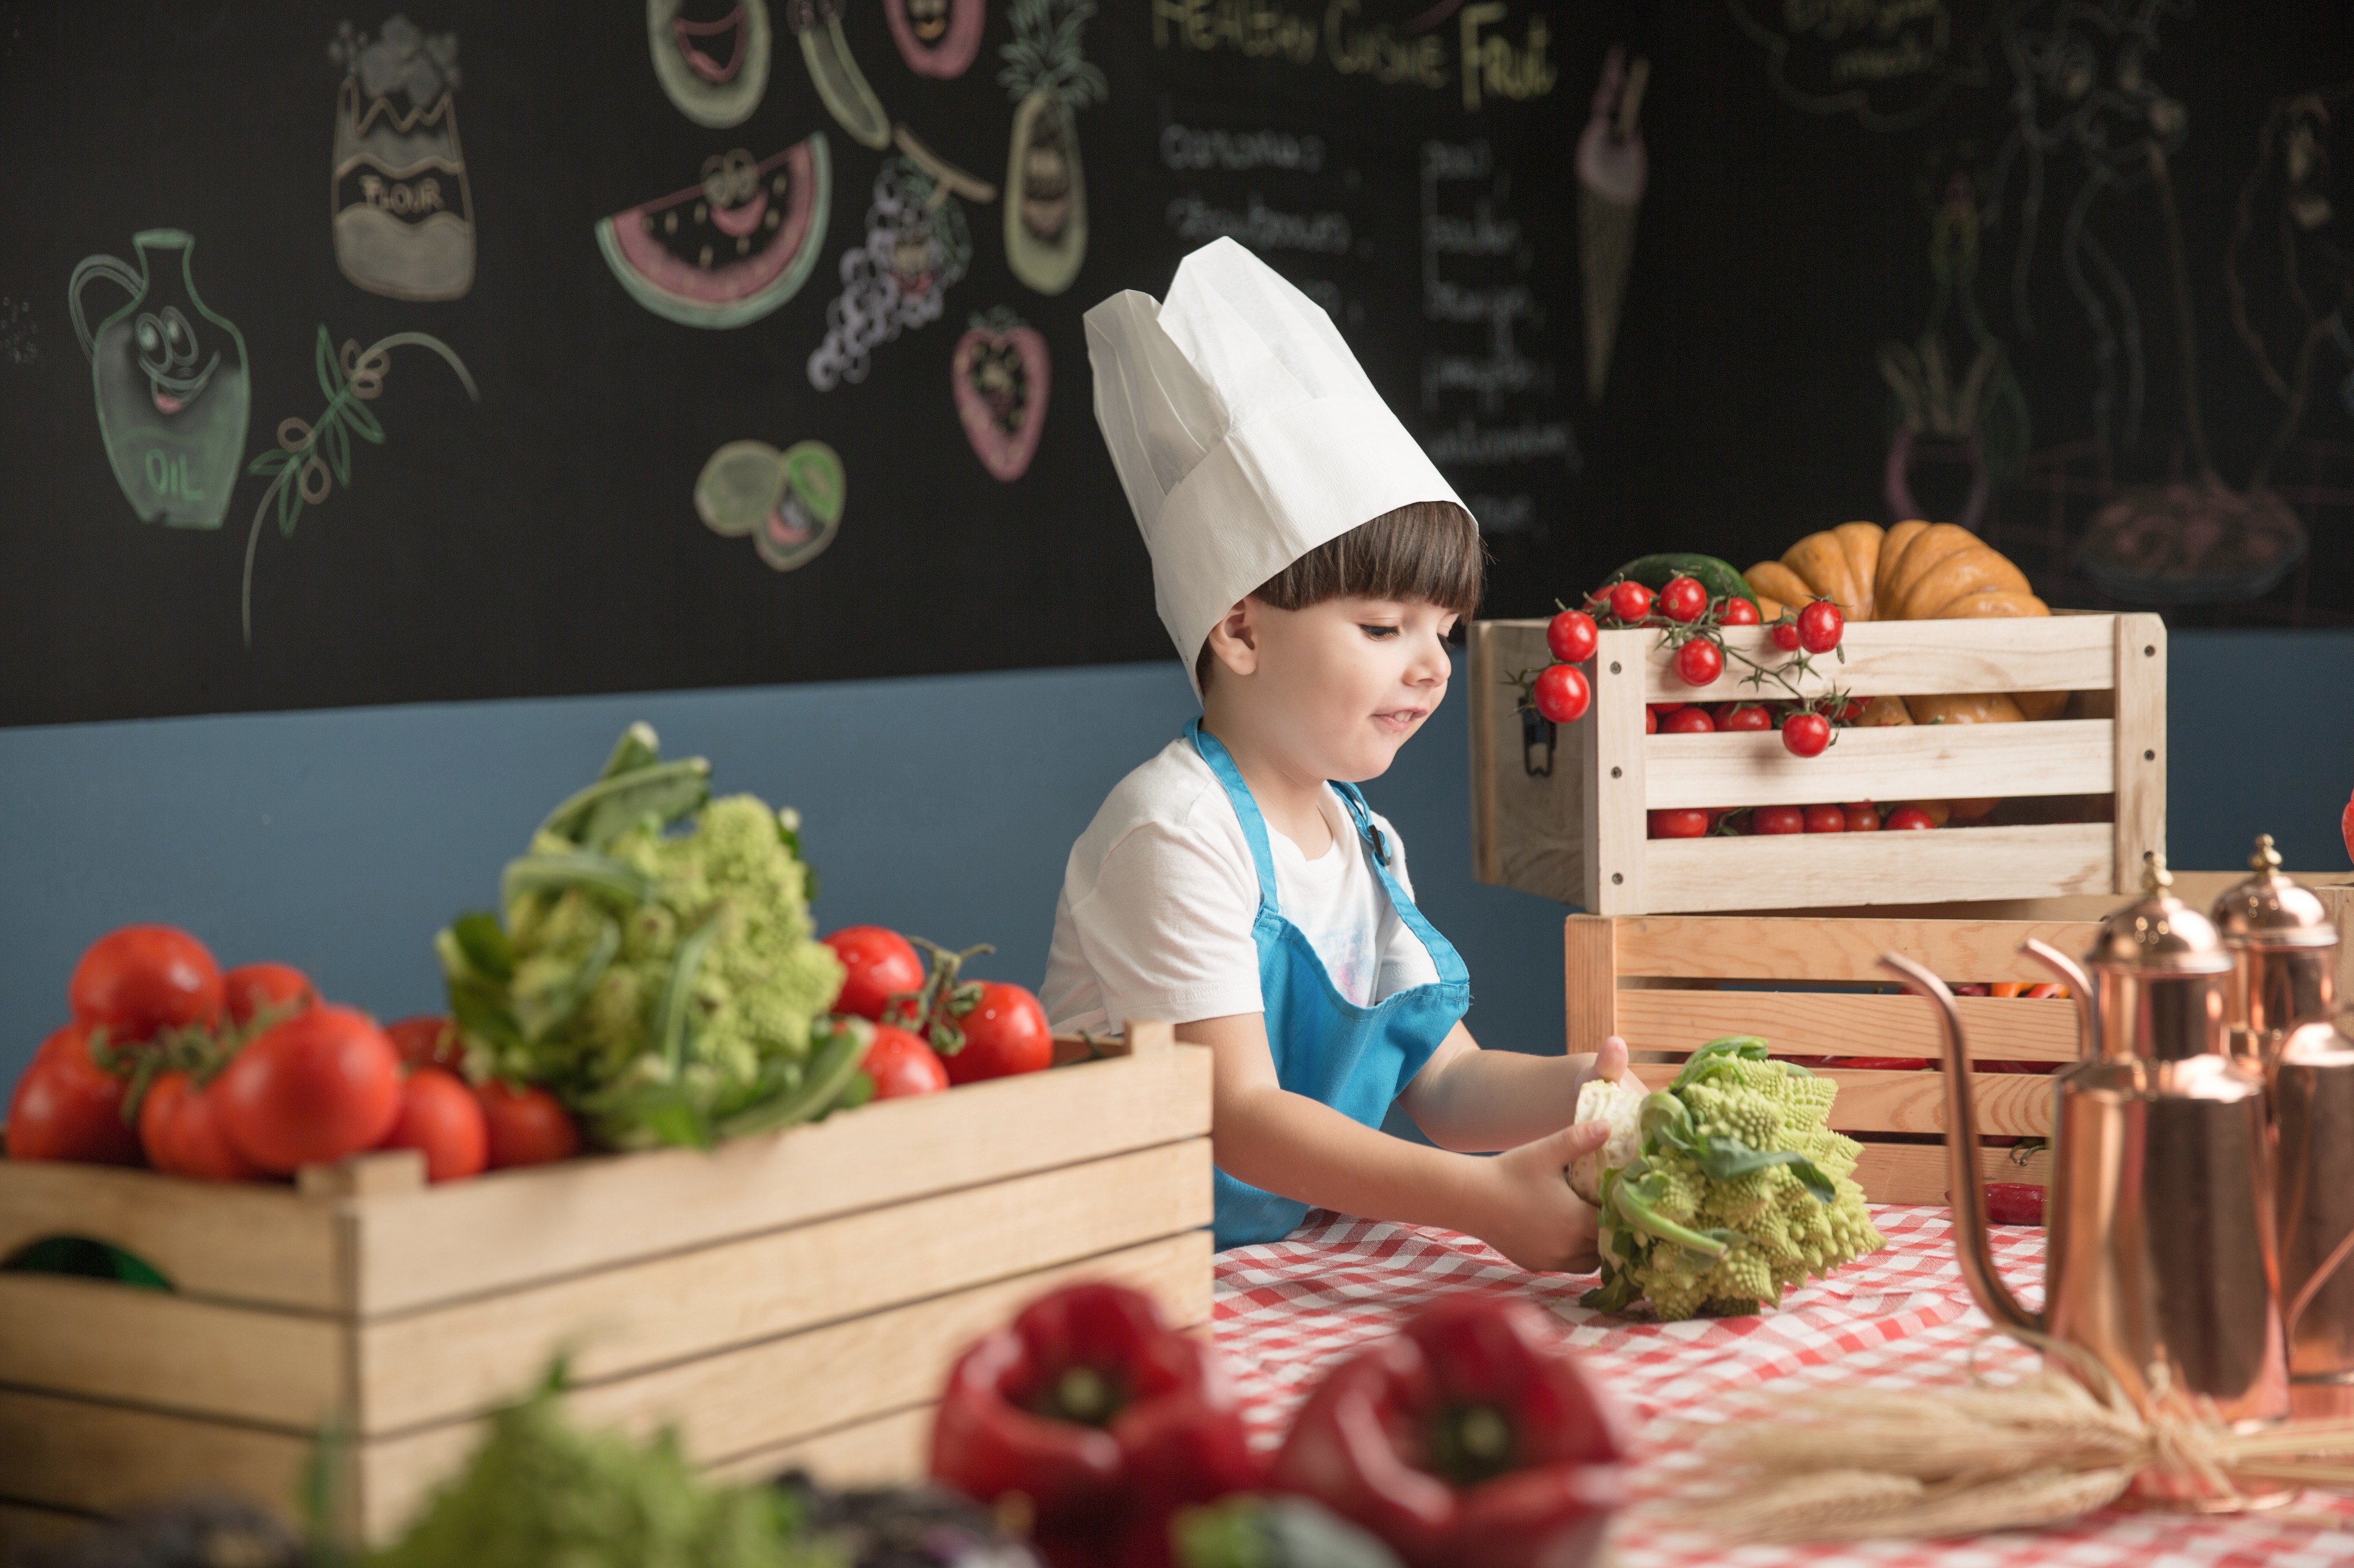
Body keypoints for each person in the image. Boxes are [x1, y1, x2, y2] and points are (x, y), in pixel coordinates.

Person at [1044, 238, 1634, 1270]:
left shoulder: (1361, 840)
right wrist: (1484, 1200)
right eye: (1383, 627)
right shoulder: (1174, 833)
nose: (1434, 666)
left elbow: (1449, 1087)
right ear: (1241, 628)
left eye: (1443, 630)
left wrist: (1603, 1091)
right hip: (1123, 1267)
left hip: (1254, 1265)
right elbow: (1240, 1115)